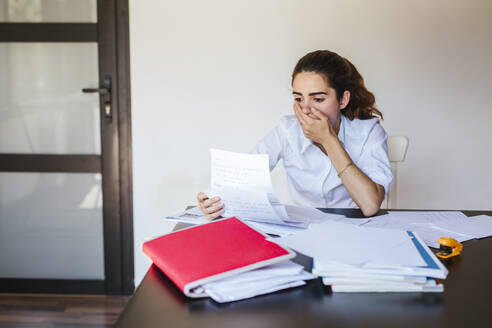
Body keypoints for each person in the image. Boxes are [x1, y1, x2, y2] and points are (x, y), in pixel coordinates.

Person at [197, 50, 393, 218]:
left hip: (356, 227)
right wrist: (213, 200)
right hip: (304, 227)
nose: (306, 110)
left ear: (343, 100)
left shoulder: (369, 131)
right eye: (299, 98)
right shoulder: (287, 130)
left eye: (317, 99)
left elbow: (370, 206)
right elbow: (242, 177)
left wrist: (328, 140)